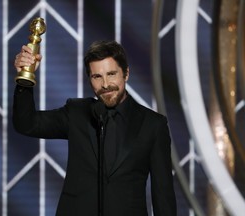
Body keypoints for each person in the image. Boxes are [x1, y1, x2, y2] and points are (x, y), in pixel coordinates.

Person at [13, 40, 177, 216]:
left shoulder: (153, 124)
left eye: (112, 74)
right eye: (97, 77)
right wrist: (25, 78)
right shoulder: (76, 113)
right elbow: (26, 124)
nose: (105, 84)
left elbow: (163, 196)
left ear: (126, 73)